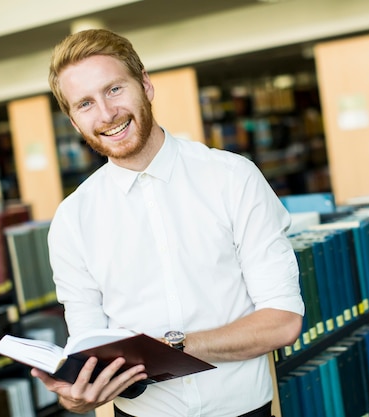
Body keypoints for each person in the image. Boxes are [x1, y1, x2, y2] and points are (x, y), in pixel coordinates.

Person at [32, 28, 304, 417]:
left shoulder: (232, 177)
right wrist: (75, 396)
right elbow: (88, 347)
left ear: (145, 85)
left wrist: (173, 347)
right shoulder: (72, 220)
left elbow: (282, 323)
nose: (107, 114)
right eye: (85, 104)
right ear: (74, 122)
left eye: (114, 90)